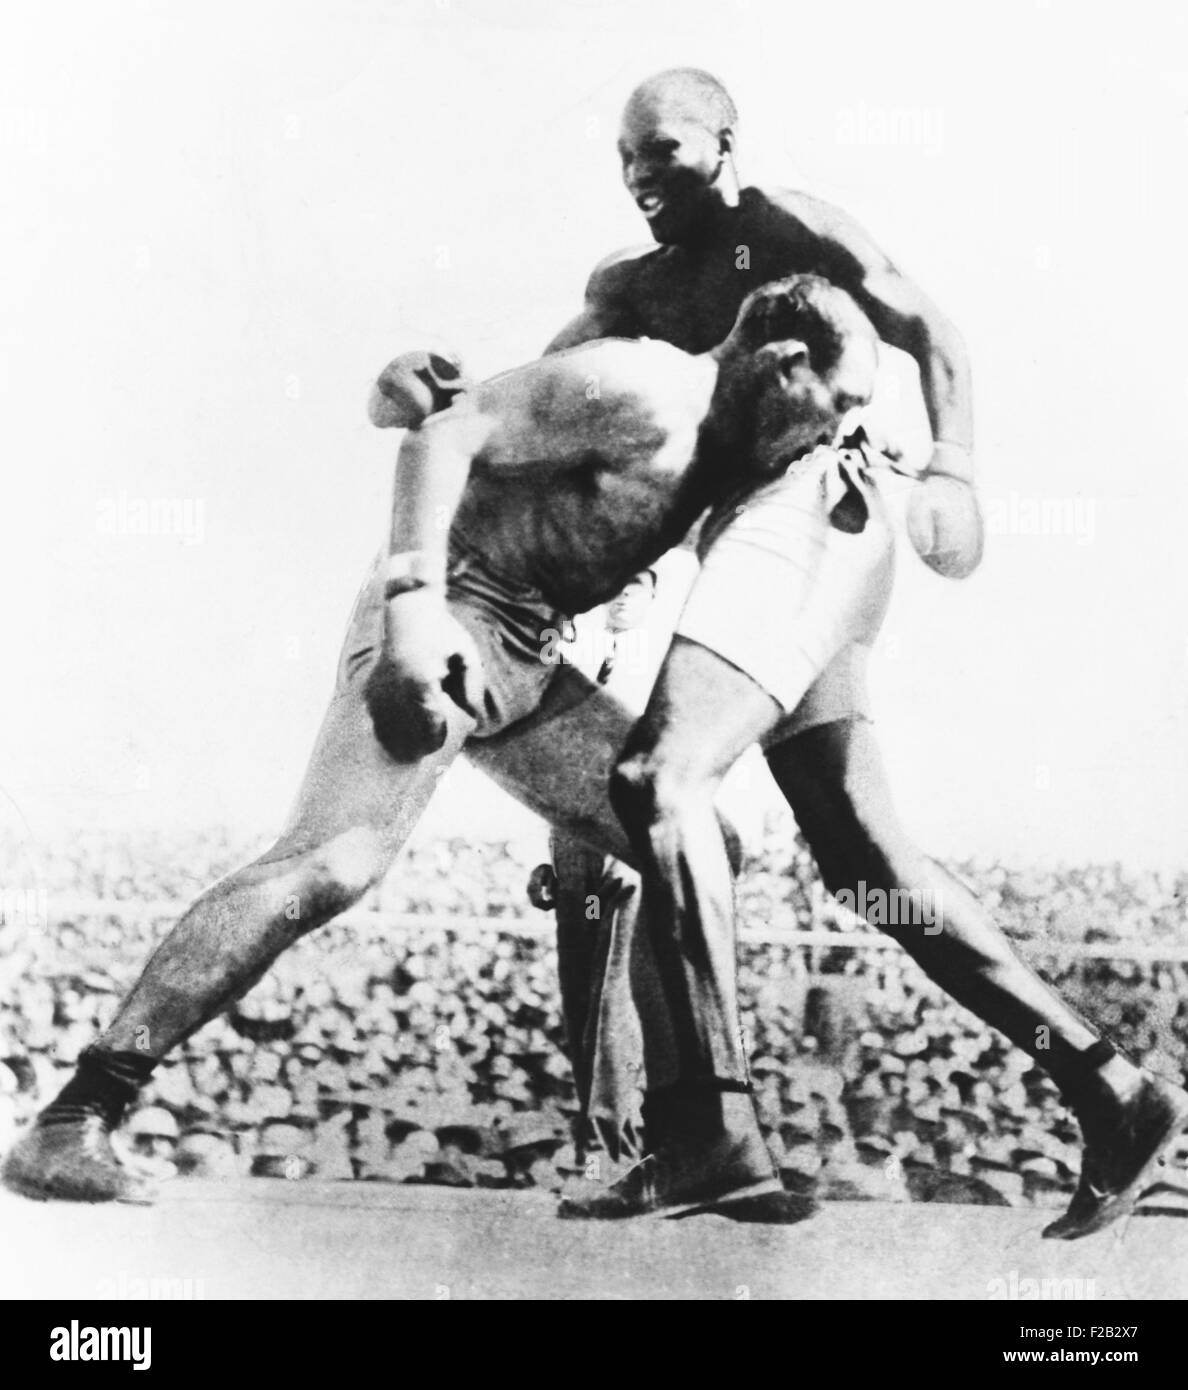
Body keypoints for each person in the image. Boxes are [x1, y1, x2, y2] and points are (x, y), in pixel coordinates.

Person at [2, 273, 871, 1215]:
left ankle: (690, 1144)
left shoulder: (730, 446)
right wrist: (412, 611)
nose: (832, 432)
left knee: (688, 845)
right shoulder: (646, 389)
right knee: (334, 861)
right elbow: (442, 432)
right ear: (786, 367)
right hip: (450, 613)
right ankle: (74, 1117)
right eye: (839, 404)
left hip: (526, 652)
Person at [552, 68, 1188, 1238]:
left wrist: (956, 469)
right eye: (625, 158)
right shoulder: (631, 286)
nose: (641, 174)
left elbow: (932, 326)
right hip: (757, 548)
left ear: (726, 143)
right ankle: (1111, 1088)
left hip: (816, 515)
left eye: (665, 149)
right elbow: (546, 394)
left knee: (659, 781)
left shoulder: (788, 226)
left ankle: (709, 1126)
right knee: (863, 863)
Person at [528, 569, 660, 1162]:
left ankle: (616, 1145)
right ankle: (592, 1140)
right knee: (580, 994)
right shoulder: (584, 665)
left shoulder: (659, 667)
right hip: (575, 850)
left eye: (641, 585)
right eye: (620, 582)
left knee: (614, 1001)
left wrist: (640, 849)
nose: (625, 592)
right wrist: (549, 859)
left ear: (654, 596)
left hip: (627, 845)